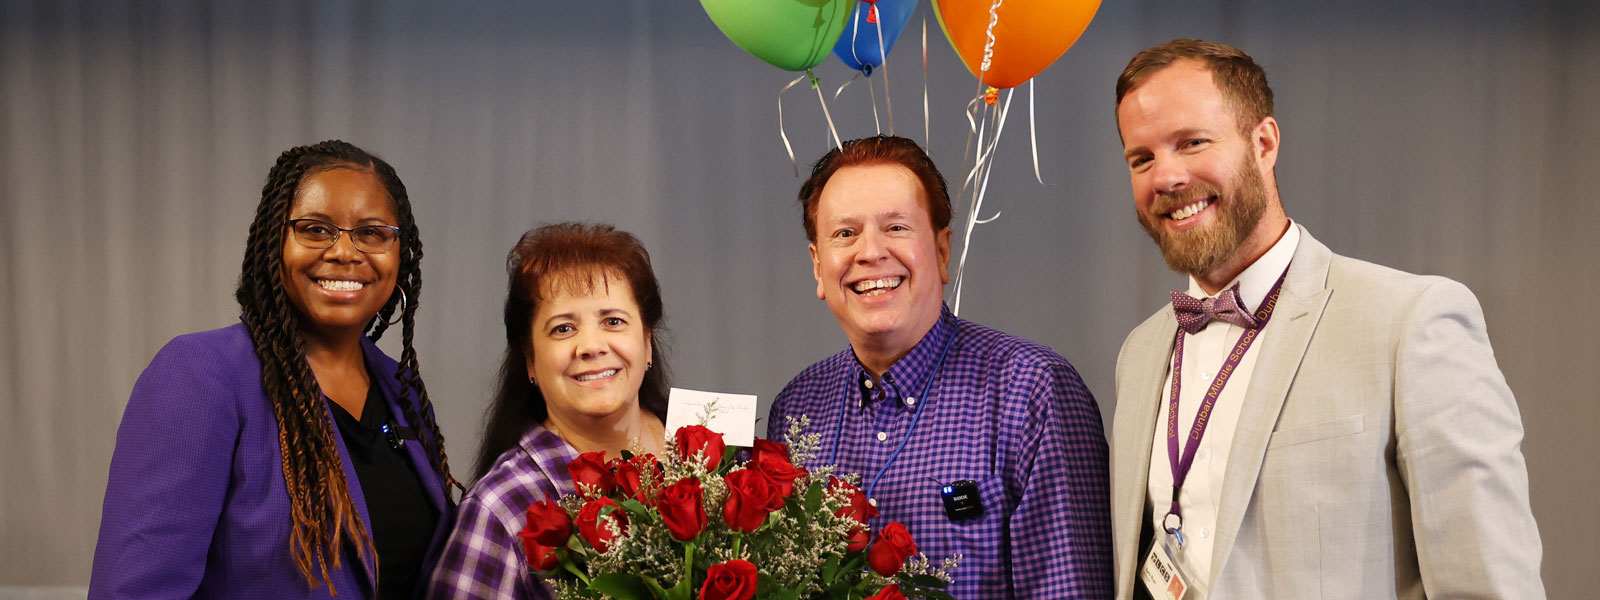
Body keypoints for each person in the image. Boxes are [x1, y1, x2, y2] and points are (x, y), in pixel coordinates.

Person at [1108, 39, 1544, 599]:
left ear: (1263, 143)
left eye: (1191, 142)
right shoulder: (1141, 353)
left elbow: (1487, 586)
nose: (1164, 177)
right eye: (1141, 158)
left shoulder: (1410, 322)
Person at [90, 140, 463, 599]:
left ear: (398, 253)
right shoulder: (200, 377)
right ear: (274, 241)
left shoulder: (399, 389)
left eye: (371, 232)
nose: (346, 252)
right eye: (315, 228)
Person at [766, 135, 1113, 599]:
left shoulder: (1033, 391)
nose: (870, 252)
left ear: (942, 250)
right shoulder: (796, 408)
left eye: (896, 227)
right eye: (845, 234)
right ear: (817, 266)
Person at [427, 222, 671, 599]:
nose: (591, 346)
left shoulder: (713, 455)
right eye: (563, 329)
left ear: (647, 342)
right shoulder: (501, 507)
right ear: (530, 359)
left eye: (613, 321)